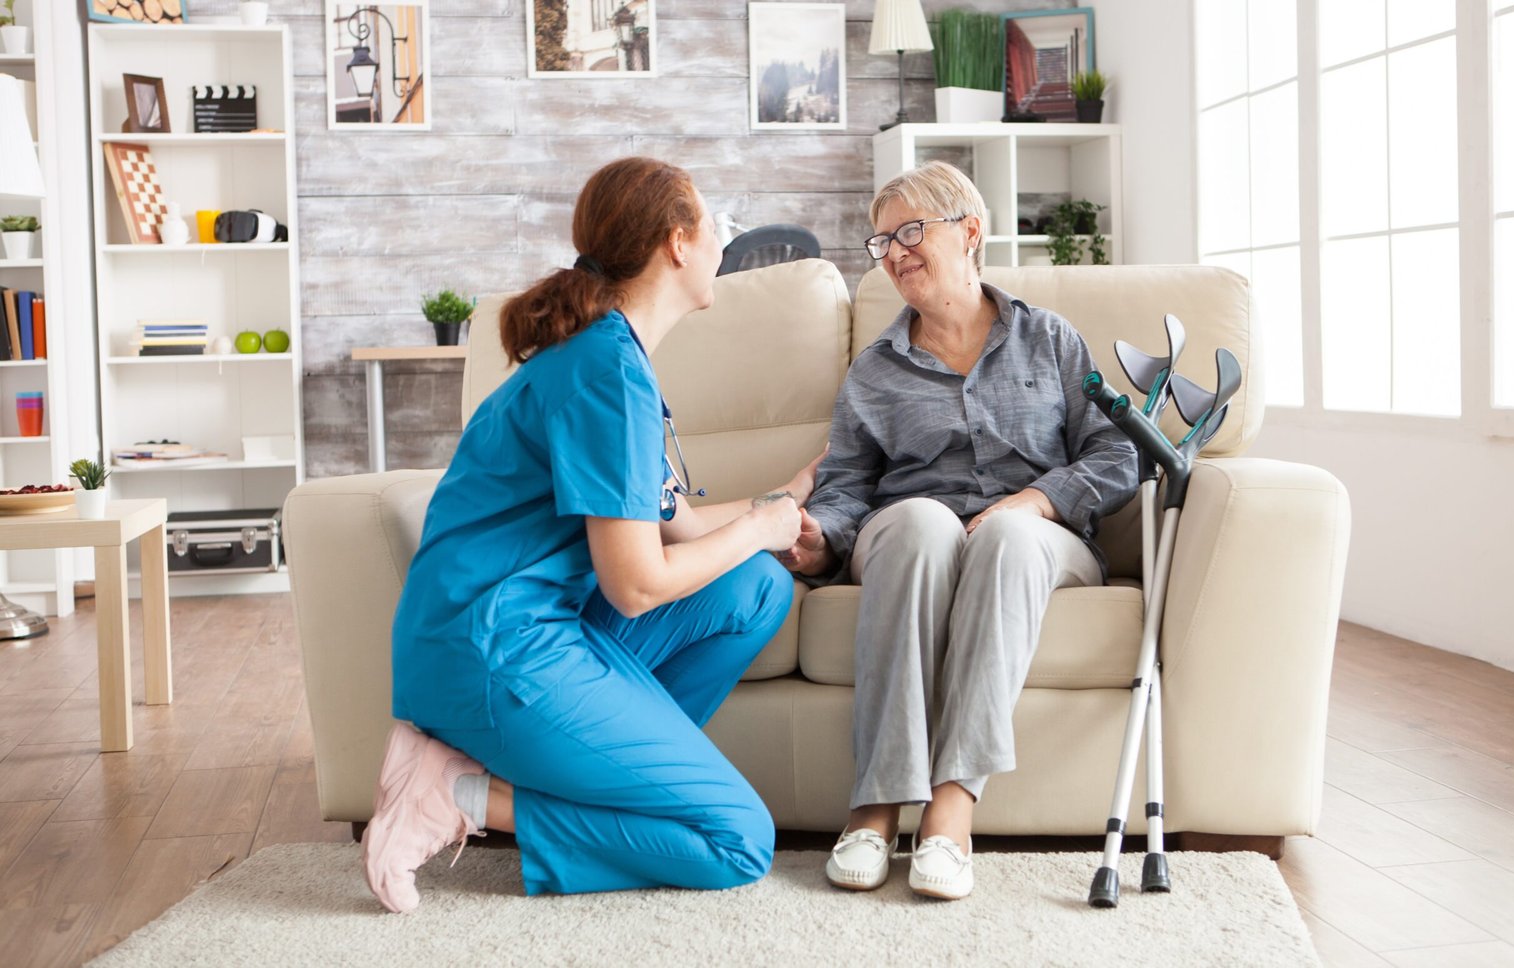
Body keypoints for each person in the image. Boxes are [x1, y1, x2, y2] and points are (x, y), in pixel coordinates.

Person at [362, 157, 816, 912]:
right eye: (717, 228)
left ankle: (615, 775)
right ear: (678, 242)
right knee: (737, 839)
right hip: (493, 649)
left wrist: (790, 500)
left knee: (757, 584)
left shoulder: (613, 357)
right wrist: (763, 526)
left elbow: (690, 527)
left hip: (523, 632)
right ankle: (460, 796)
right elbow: (635, 587)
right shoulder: (607, 374)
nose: (722, 247)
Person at [780, 161, 1138, 900]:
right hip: (911, 530)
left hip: (1037, 536)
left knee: (1003, 537)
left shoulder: (1049, 341)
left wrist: (1037, 502)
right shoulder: (874, 371)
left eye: (911, 231)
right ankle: (875, 807)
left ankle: (950, 810)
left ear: (970, 231)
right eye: (883, 243)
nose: (896, 252)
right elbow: (847, 488)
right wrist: (823, 537)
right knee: (920, 522)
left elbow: (1116, 452)